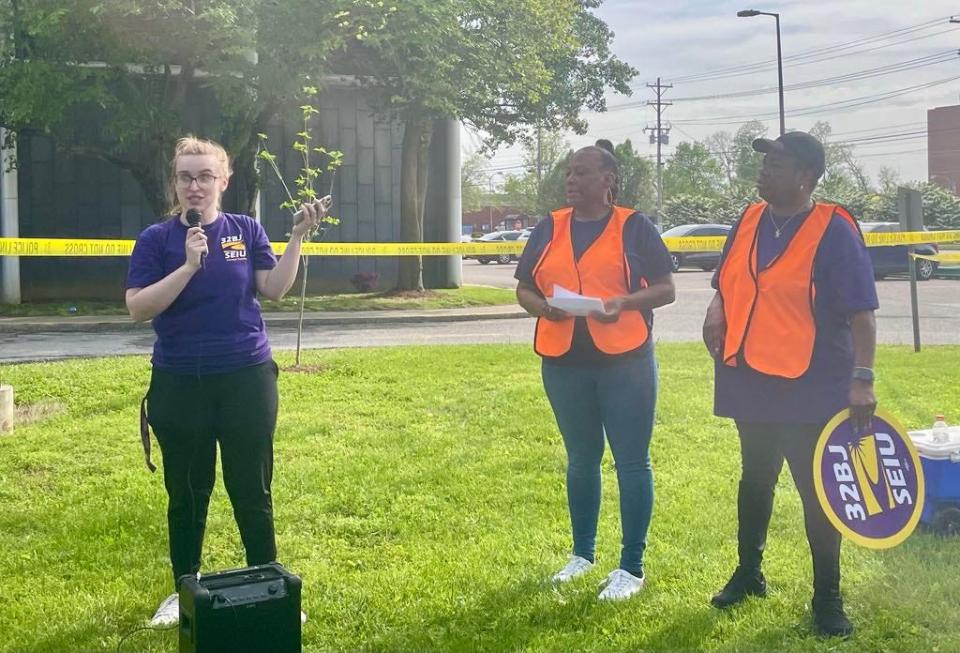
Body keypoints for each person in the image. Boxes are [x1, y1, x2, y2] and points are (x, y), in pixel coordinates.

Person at [126, 136, 329, 626]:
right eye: (185, 176)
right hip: (181, 381)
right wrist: (189, 266)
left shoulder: (246, 229)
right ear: (175, 182)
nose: (194, 186)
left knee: (251, 488)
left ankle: (270, 585)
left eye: (204, 176)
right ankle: (184, 589)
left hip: (246, 377)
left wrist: (297, 238)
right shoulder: (157, 240)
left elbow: (274, 289)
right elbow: (138, 307)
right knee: (188, 490)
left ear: (224, 181)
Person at [702, 131, 878, 637]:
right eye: (765, 163)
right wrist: (716, 309)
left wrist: (862, 379)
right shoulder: (750, 218)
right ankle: (748, 573)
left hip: (812, 381)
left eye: (775, 164)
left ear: (805, 176)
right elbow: (726, 279)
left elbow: (862, 313)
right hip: (750, 373)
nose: (763, 171)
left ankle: (827, 597)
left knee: (815, 491)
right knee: (754, 479)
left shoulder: (834, 227)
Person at [515, 140, 675, 601]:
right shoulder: (550, 226)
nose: (571, 179)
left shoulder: (634, 226)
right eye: (569, 172)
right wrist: (544, 309)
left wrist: (624, 302)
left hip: (625, 361)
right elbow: (524, 287)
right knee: (582, 460)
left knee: (631, 461)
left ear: (608, 181)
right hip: (565, 362)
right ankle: (582, 555)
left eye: (582, 172)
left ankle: (631, 567)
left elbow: (666, 289)